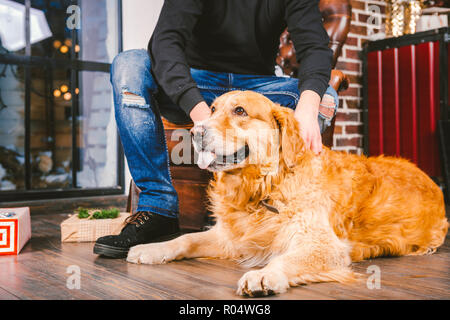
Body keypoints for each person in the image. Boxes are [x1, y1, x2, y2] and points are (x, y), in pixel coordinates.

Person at [94, 0, 339, 258]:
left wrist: (308, 108)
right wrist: (205, 119)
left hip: (255, 89)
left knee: (325, 98)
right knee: (129, 65)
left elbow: (315, 47)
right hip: (197, 82)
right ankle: (158, 207)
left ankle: (283, 205)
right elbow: (165, 42)